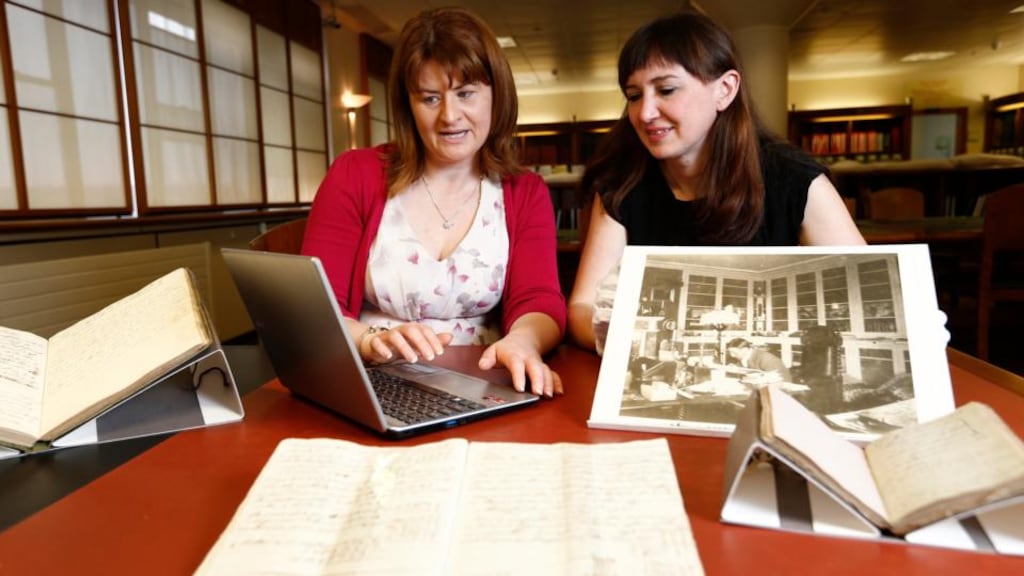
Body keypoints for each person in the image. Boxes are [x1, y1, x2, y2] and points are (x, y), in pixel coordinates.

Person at [302, 7, 565, 396]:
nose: (449, 116)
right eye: (429, 98)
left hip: (486, 383)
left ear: (496, 95)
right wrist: (369, 341)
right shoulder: (354, 174)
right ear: (408, 105)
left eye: (466, 94)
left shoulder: (524, 190)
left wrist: (523, 341)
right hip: (371, 381)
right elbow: (316, 307)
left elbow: (538, 298)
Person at [567, 12, 866, 351]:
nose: (645, 113)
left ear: (725, 90)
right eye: (634, 96)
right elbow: (582, 307)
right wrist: (630, 340)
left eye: (666, 90)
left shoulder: (796, 181)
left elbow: (865, 290)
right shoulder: (622, 186)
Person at [724, 337, 791, 382]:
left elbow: (779, 379)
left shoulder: (765, 358)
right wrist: (735, 368)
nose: (732, 355)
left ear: (745, 349)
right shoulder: (745, 356)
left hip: (780, 389)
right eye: (730, 352)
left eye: (734, 353)